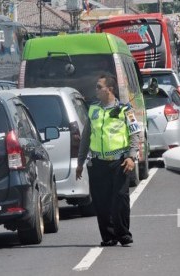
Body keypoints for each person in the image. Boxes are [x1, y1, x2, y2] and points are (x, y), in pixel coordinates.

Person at [76, 73, 140, 247]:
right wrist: (80, 163)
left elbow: (135, 134)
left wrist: (131, 157)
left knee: (120, 199)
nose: (95, 90)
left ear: (110, 89)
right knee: (101, 202)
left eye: (99, 87)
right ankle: (108, 236)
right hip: (98, 163)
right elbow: (86, 137)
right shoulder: (93, 110)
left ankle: (123, 234)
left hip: (120, 162)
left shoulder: (126, 110)